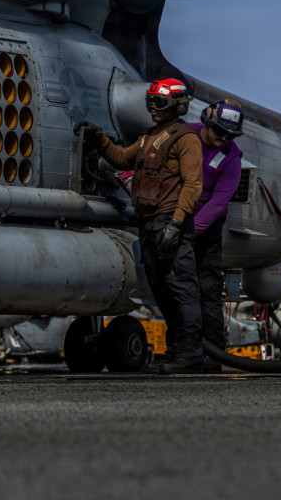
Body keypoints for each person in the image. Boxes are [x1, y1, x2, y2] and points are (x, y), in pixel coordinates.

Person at [78, 78, 204, 374]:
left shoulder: (185, 139)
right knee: (162, 290)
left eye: (158, 103)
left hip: (171, 222)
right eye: (150, 102)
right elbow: (122, 159)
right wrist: (99, 139)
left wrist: (176, 223)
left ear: (175, 106)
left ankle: (190, 355)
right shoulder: (149, 137)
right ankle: (177, 353)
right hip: (148, 223)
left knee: (182, 290)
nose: (152, 108)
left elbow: (192, 184)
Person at [190, 100, 245, 373]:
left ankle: (213, 355)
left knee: (208, 290)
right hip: (175, 217)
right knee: (177, 291)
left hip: (204, 228)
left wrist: (188, 231)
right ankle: (183, 351)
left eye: (230, 135)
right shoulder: (184, 136)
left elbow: (217, 204)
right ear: (206, 122)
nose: (223, 139)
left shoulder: (231, 158)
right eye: (219, 132)